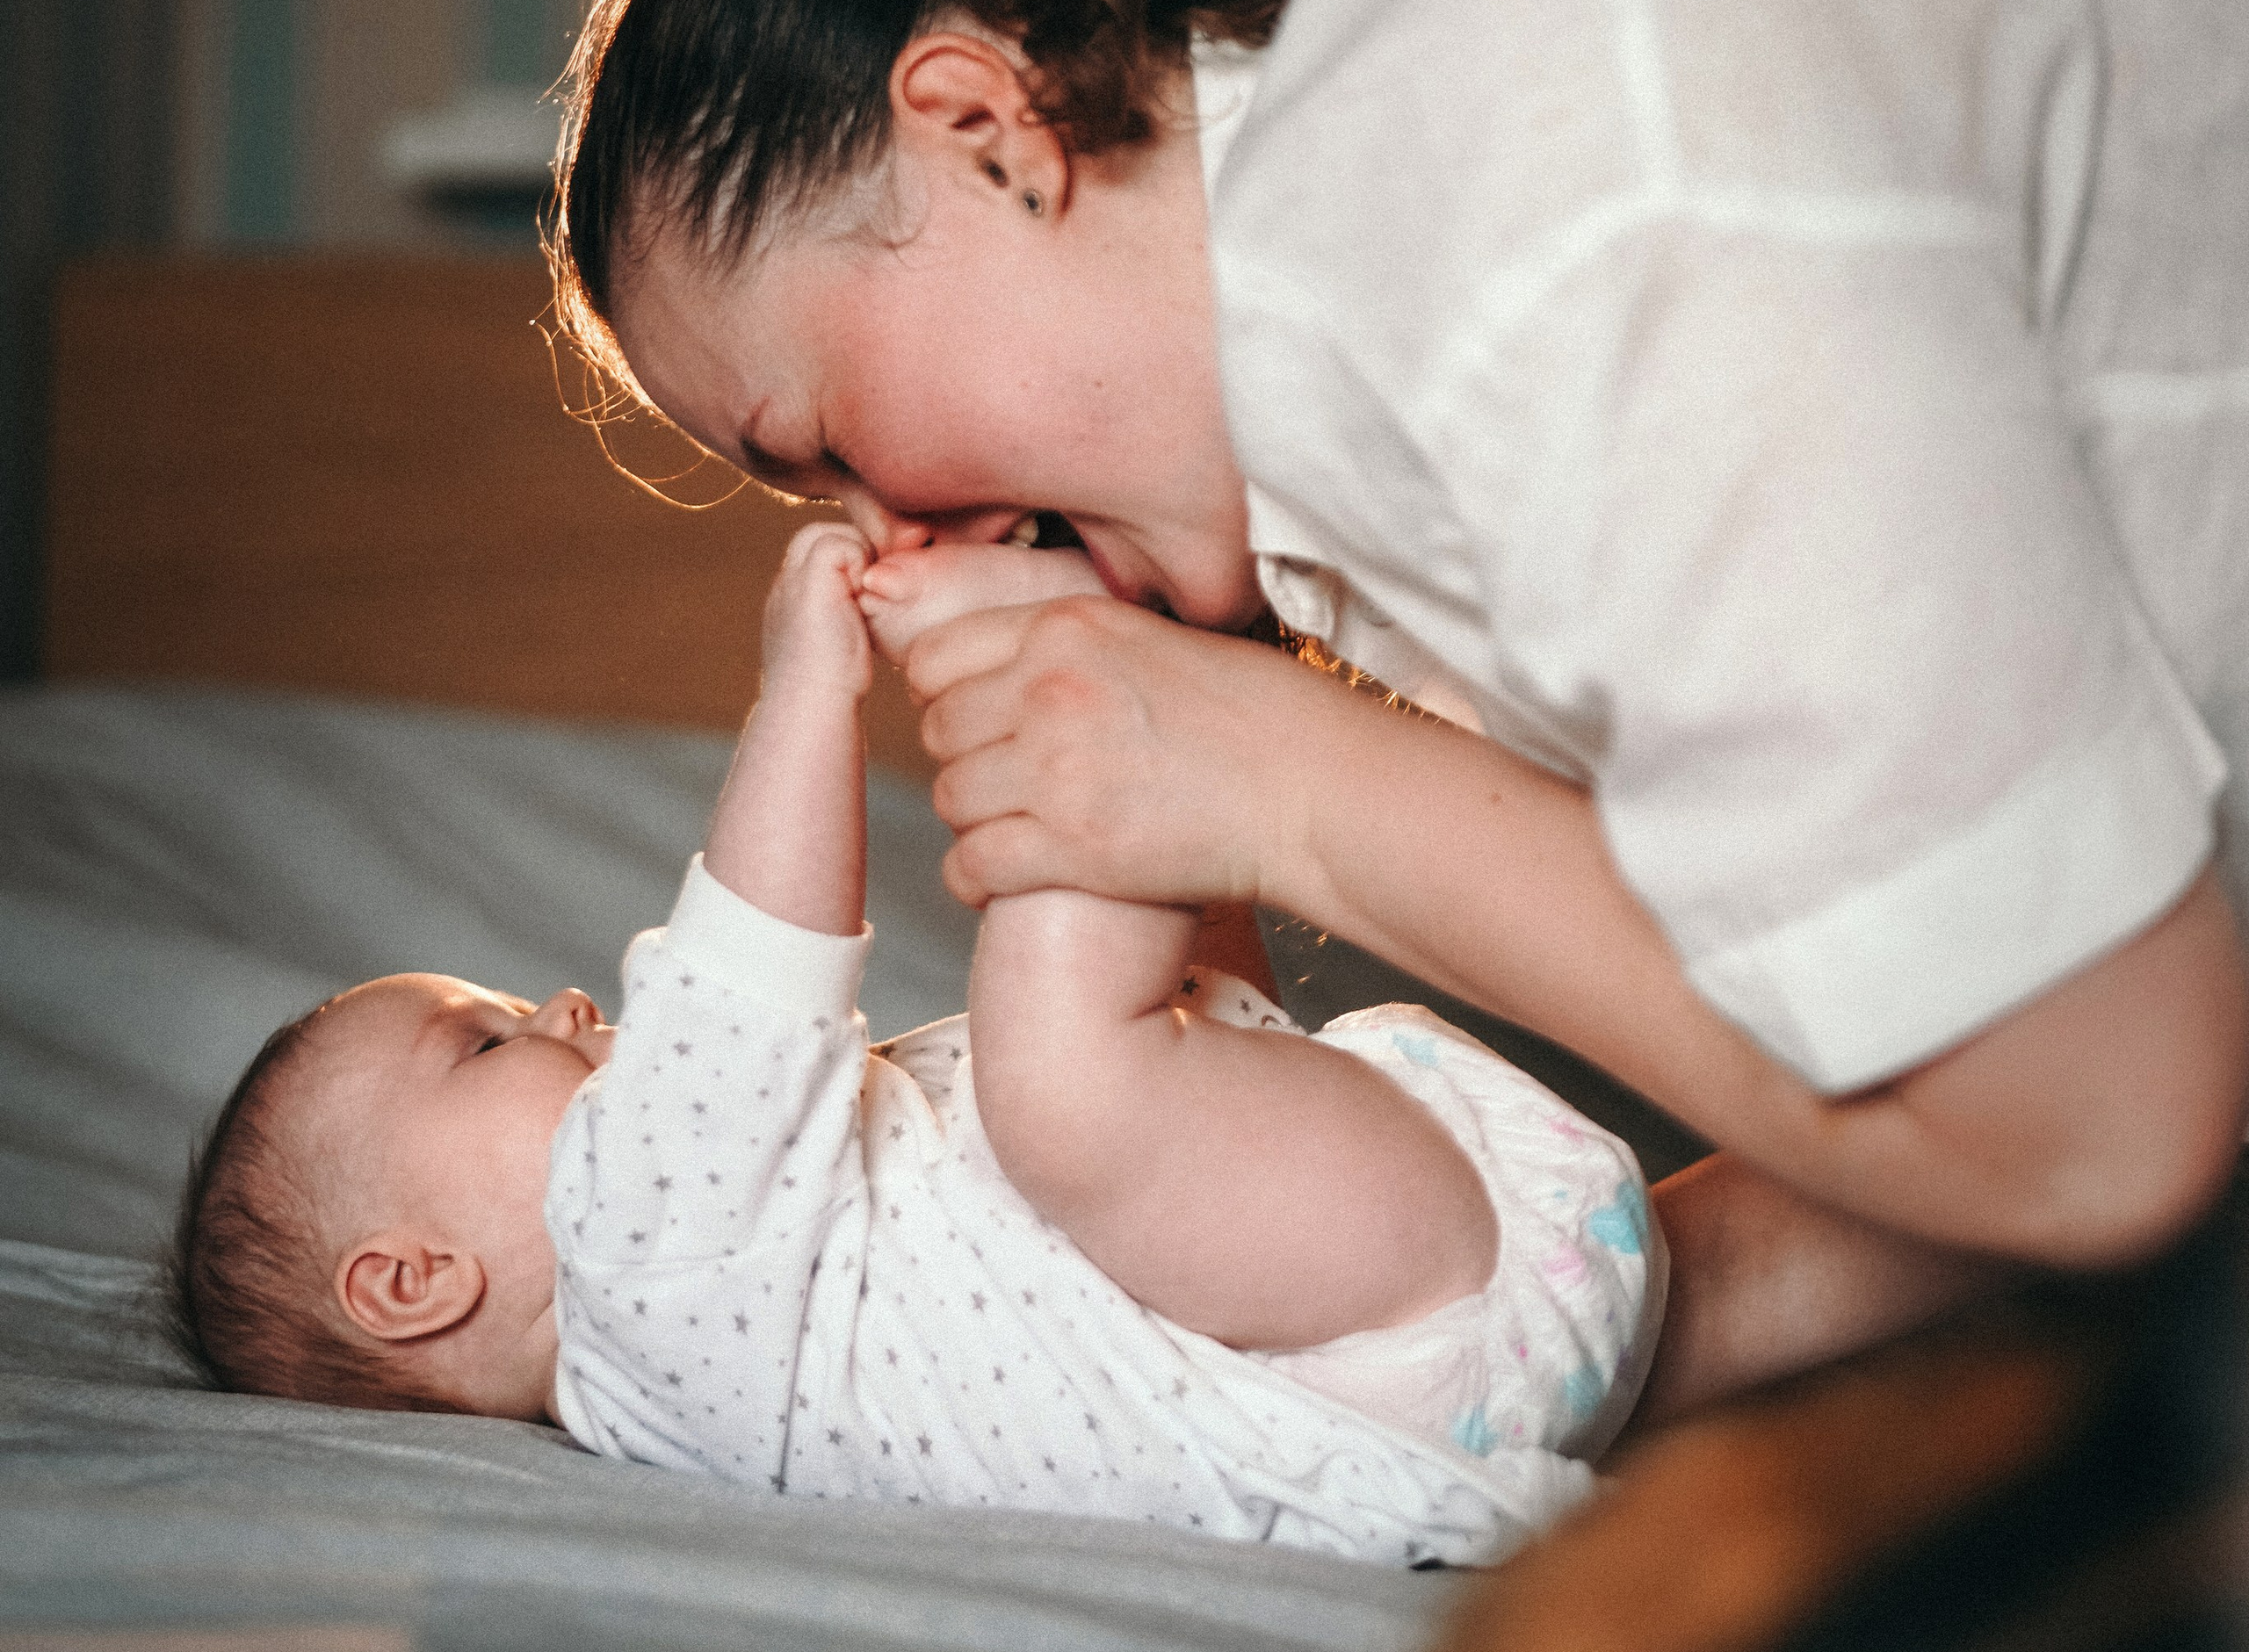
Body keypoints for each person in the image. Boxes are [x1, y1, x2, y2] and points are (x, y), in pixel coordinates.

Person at [549, 0, 2249, 1410]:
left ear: (992, 129)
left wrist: (1284, 789)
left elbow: (2102, 1118)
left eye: (820, 441)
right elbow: (1993, 1080)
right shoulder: (1396, 440)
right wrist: (1521, 1372)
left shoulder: (1544, 198)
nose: (880, 546)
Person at [166, 530, 1666, 1567]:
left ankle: (1908, 1201)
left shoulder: (704, 1350)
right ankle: (1094, 646)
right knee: (1059, 1055)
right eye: (482, 1047)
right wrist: (806, 687)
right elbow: (751, 969)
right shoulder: (631, 1262)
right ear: (413, 1282)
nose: (563, 1008)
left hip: (1382, 1363)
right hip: (1360, 1316)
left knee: (1129, 1043)